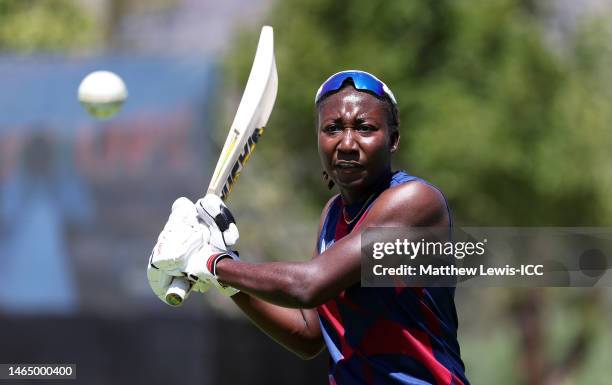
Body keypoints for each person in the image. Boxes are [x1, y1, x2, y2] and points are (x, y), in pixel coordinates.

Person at [148, 70, 470, 385]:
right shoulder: (332, 215)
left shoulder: (415, 203)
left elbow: (309, 285)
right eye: (332, 128)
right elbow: (308, 334)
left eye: (364, 128)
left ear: (393, 139)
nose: (346, 143)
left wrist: (212, 263)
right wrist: (226, 279)